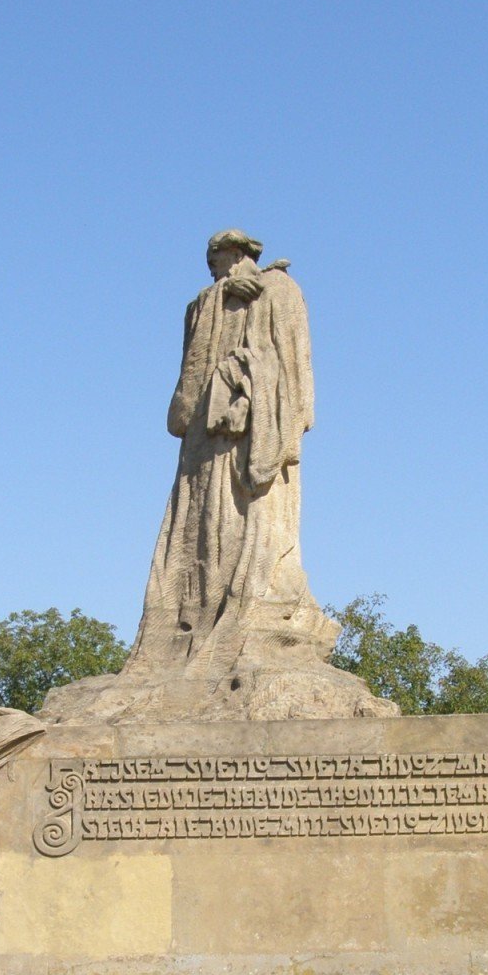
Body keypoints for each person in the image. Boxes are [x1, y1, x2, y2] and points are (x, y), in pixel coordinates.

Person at [127, 229, 336, 678]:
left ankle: (255, 615)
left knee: (253, 530)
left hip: (255, 433)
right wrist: (220, 295)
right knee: (201, 529)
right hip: (206, 443)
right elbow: (191, 374)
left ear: (237, 253)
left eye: (217, 261)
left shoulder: (279, 289)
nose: (213, 270)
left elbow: (293, 361)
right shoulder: (210, 299)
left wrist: (256, 398)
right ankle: (188, 626)